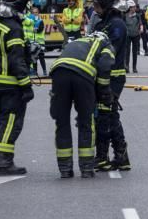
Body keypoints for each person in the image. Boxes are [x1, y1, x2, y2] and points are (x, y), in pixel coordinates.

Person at [0, 0, 35, 175]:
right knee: (11, 123)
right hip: (10, 83)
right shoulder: (13, 27)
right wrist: (26, 85)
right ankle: (4, 163)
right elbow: (16, 60)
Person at [49, 31, 115, 178]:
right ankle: (86, 167)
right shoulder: (105, 44)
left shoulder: (77, 41)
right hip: (83, 75)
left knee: (62, 121)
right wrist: (104, 93)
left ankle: (65, 169)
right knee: (86, 121)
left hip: (59, 72)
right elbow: (105, 66)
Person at [90, 0, 131, 172]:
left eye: (96, 4)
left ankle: (103, 158)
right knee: (110, 114)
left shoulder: (116, 25)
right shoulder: (102, 23)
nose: (93, 7)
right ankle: (121, 157)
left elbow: (109, 53)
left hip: (112, 77)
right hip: (101, 76)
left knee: (105, 116)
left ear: (105, 4)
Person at [124, 1, 143, 73]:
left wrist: (141, 29)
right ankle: (126, 67)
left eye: (134, 7)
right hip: (127, 35)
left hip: (136, 35)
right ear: (129, 8)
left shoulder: (137, 16)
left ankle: (134, 67)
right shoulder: (124, 15)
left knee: (135, 52)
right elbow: (123, 24)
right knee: (127, 52)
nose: (134, 8)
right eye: (132, 7)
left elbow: (140, 24)